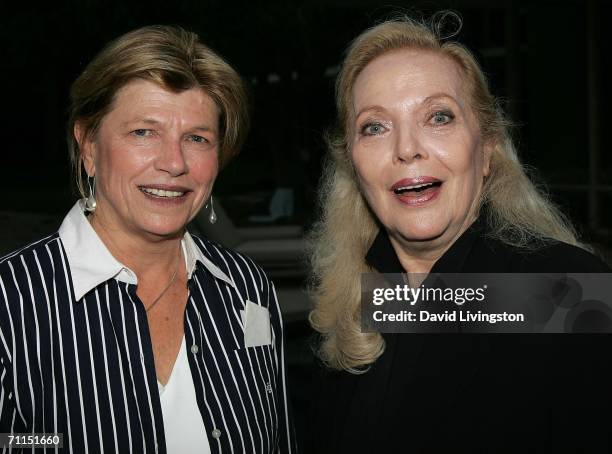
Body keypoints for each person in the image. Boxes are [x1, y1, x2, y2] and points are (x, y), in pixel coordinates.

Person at [307, 15, 611, 453]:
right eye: (375, 126)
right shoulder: (355, 304)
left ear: (487, 148)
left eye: (438, 117)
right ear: (353, 163)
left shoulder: (566, 292)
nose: (406, 148)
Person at [0, 25, 296, 453]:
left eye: (196, 138)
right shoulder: (11, 303)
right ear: (88, 145)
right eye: (143, 132)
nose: (173, 163)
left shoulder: (247, 289)